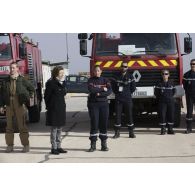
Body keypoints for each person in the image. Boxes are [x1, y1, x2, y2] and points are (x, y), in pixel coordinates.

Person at [0, 62, 34, 153]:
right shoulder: (6, 81)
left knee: (22, 126)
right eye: (10, 68)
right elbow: (2, 94)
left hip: (19, 104)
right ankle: (10, 146)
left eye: (13, 68)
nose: (12, 69)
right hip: (8, 104)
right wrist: (1, 105)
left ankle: (26, 145)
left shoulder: (22, 80)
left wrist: (29, 97)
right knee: (9, 127)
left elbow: (31, 88)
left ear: (17, 69)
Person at [87, 65, 112, 152]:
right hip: (93, 105)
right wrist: (102, 88)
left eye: (98, 70)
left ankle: (103, 145)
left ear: (101, 71)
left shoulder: (105, 80)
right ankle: (93, 145)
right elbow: (91, 90)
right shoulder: (90, 80)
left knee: (103, 124)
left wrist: (100, 93)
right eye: (95, 71)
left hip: (104, 105)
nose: (97, 72)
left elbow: (109, 91)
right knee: (94, 124)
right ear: (93, 72)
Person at [44, 66, 68, 155]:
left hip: (61, 108)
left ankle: (59, 146)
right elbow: (46, 97)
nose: (62, 74)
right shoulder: (51, 83)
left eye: (63, 73)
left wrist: (63, 85)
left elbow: (63, 93)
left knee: (60, 129)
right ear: (56, 73)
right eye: (60, 73)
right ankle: (53, 148)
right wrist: (49, 107)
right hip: (53, 109)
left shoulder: (62, 83)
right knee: (54, 129)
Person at [112, 62, 136, 139]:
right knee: (118, 116)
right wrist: (118, 94)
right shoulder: (116, 76)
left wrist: (127, 93)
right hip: (119, 99)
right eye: (122, 66)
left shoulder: (131, 76)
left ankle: (131, 132)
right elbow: (114, 88)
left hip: (127, 98)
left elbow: (133, 88)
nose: (123, 67)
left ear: (127, 68)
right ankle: (117, 132)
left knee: (129, 115)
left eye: (125, 66)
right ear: (120, 67)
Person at [154, 70, 176, 135]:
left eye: (166, 74)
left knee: (171, 115)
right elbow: (156, 93)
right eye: (163, 74)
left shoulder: (172, 83)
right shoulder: (159, 83)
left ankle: (170, 129)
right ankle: (163, 129)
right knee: (162, 115)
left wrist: (170, 97)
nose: (164, 75)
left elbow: (174, 91)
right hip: (162, 102)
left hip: (170, 101)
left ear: (169, 75)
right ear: (161, 75)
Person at [183, 59, 195, 134]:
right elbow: (184, 85)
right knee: (189, 112)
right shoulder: (186, 75)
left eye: (194, 64)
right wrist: (188, 92)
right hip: (190, 96)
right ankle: (189, 128)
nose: (193, 65)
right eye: (191, 64)